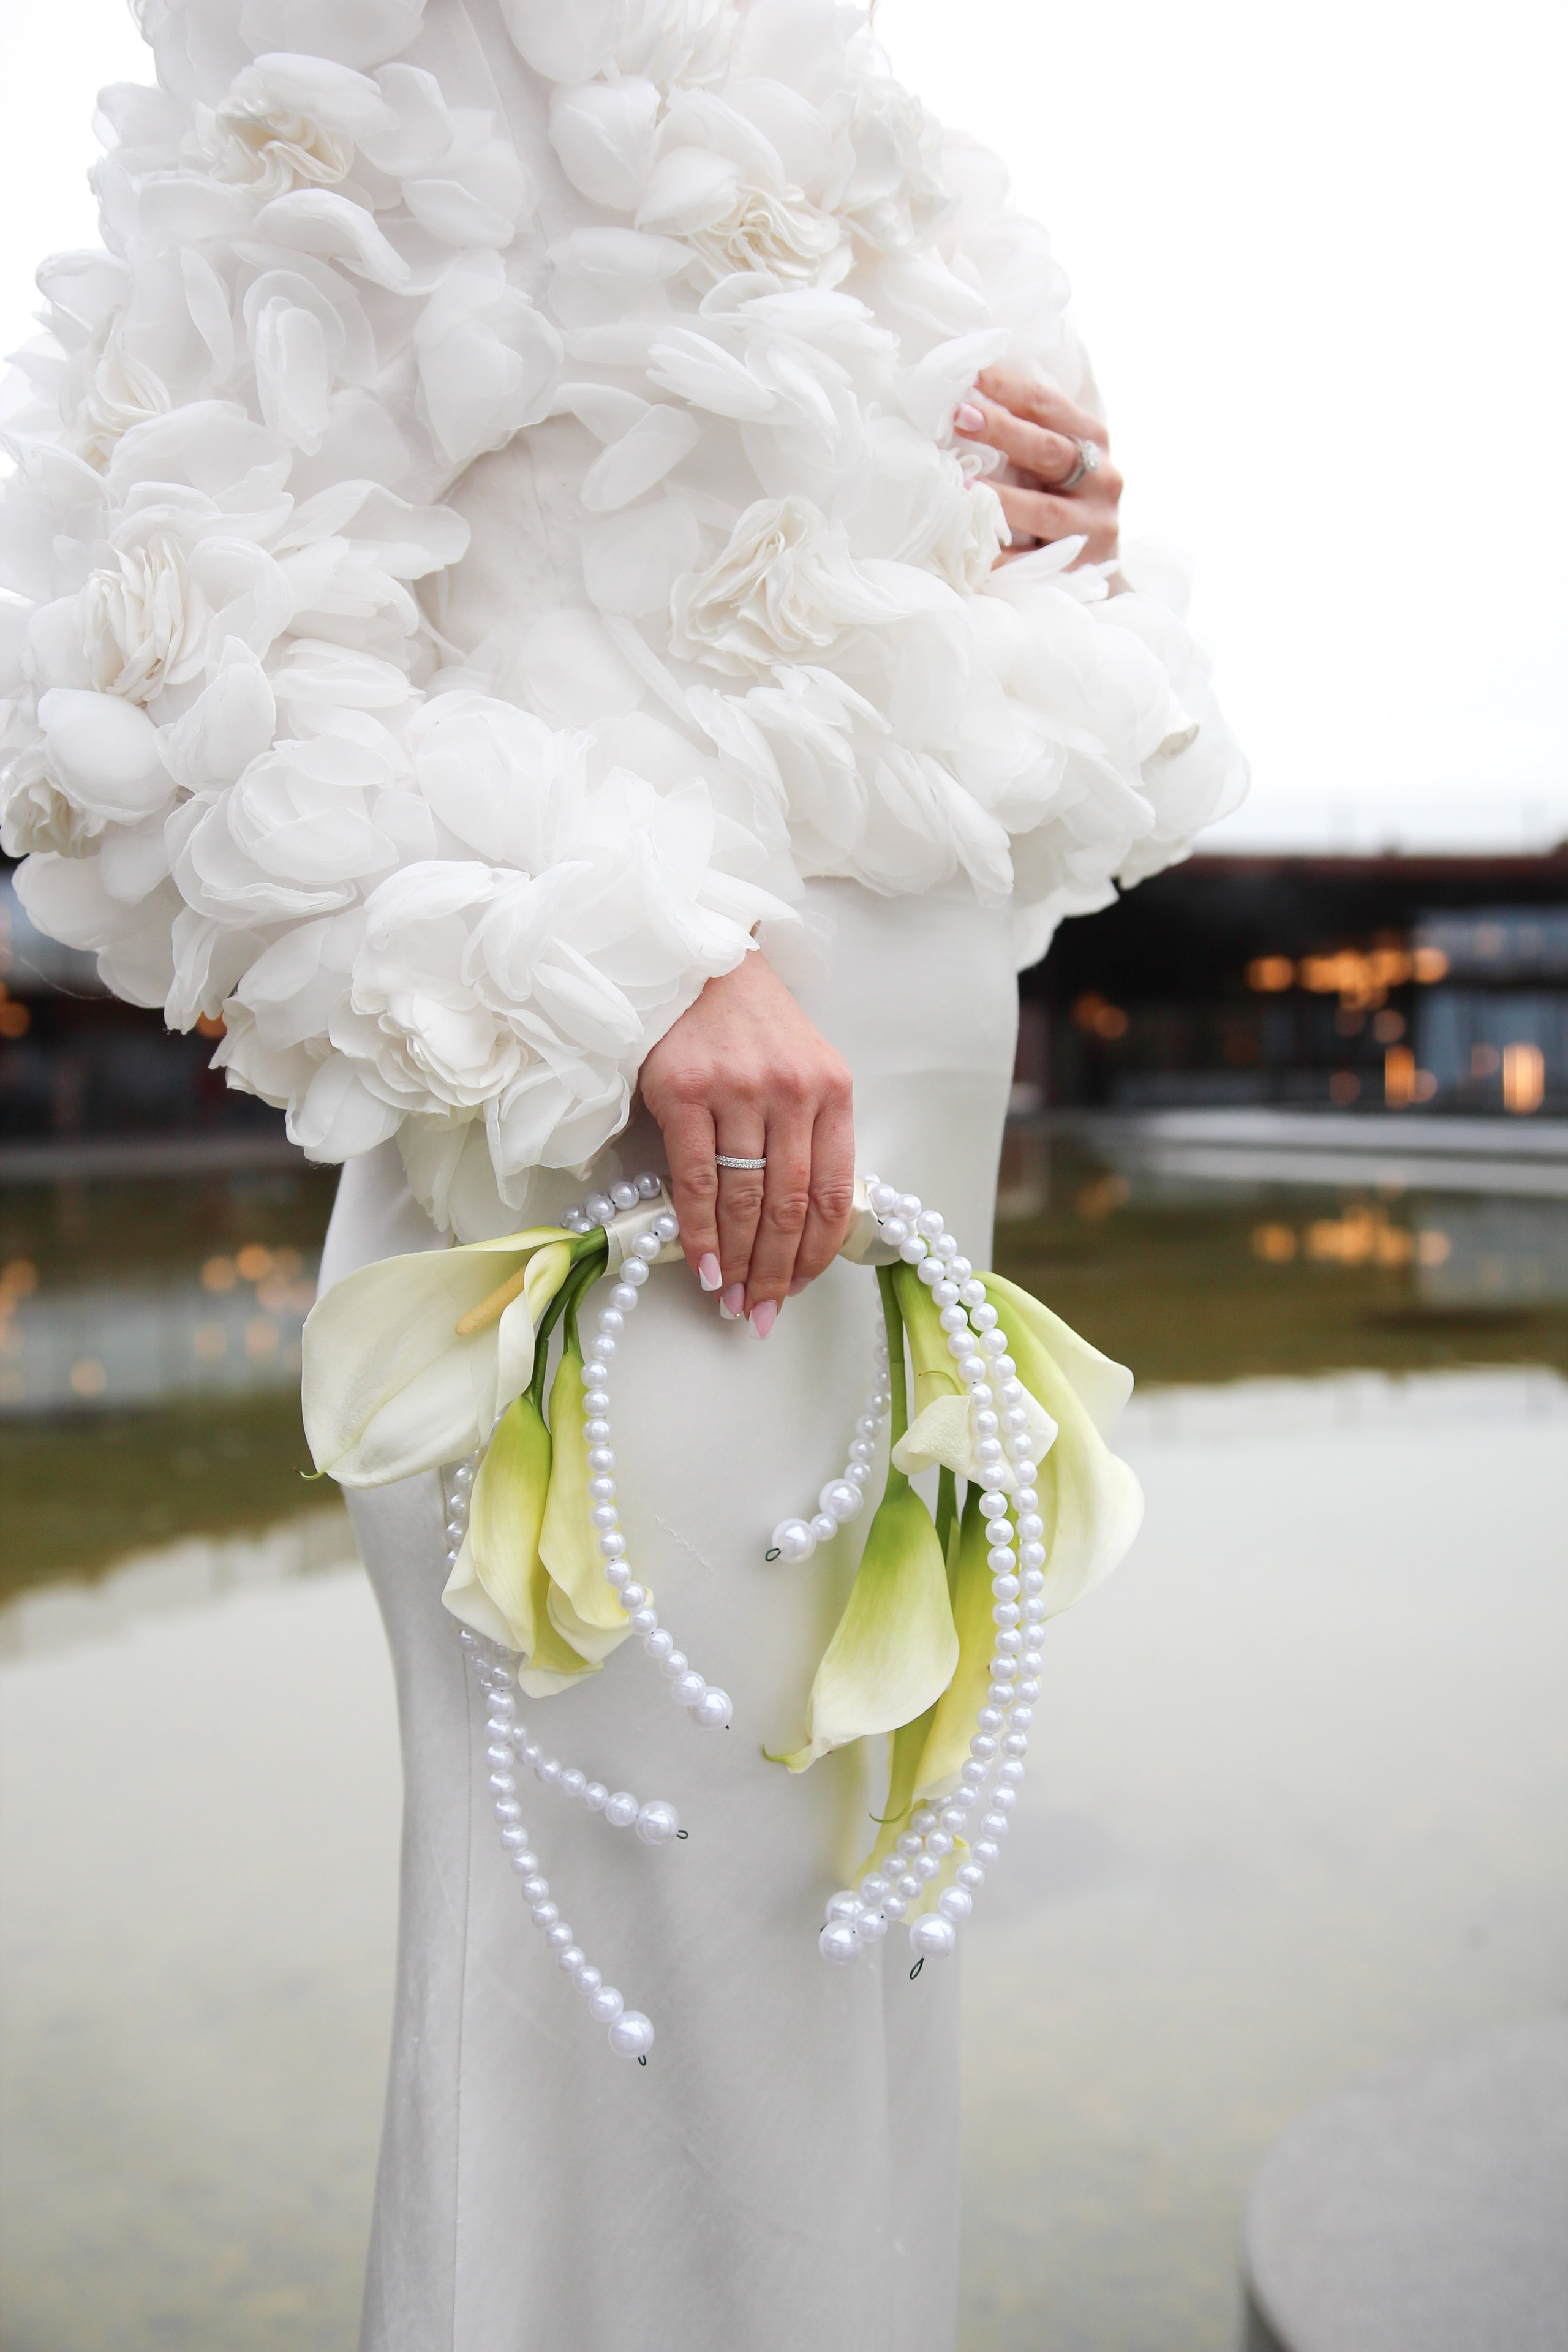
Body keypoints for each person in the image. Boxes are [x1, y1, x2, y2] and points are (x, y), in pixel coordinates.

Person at [0, 4, 1244, 2345]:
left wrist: (1037, 557)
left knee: (830, 2013)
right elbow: (164, 652)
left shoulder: (824, 76)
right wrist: (642, 975)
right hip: (619, 1183)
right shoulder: (367, 38)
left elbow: (837, 667)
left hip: (892, 1237)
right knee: (655, 2058)